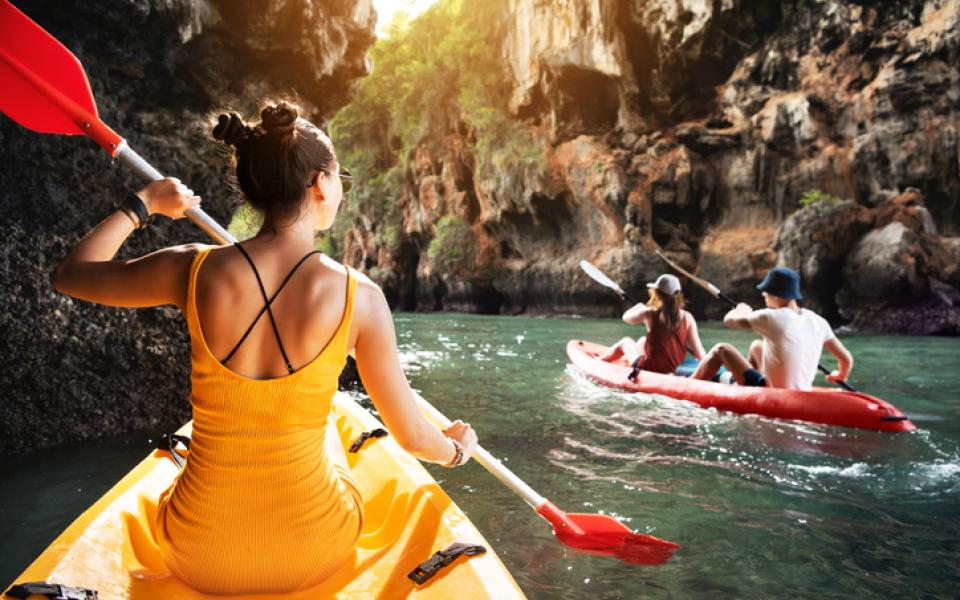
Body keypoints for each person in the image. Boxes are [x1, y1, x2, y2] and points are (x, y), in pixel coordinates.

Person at [51, 101, 478, 595]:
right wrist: (455, 450)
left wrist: (143, 202)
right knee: (329, 426)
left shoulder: (192, 269)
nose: (340, 187)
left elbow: (71, 275)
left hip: (197, 553)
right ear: (320, 184)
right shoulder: (361, 298)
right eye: (340, 176)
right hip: (314, 551)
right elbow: (411, 438)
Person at [691, 266, 853, 389]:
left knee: (721, 349)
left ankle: (688, 385)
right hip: (801, 389)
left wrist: (741, 310)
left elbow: (729, 320)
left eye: (766, 291)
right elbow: (846, 359)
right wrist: (839, 375)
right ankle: (739, 387)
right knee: (757, 346)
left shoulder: (771, 317)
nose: (763, 294)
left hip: (771, 389)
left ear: (776, 295)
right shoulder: (818, 321)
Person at [599, 274, 705, 375]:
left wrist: (638, 307)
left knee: (625, 341)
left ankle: (599, 361)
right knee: (642, 341)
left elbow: (626, 318)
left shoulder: (649, 313)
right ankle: (627, 358)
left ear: (657, 294)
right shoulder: (688, 317)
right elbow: (700, 354)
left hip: (649, 368)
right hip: (674, 369)